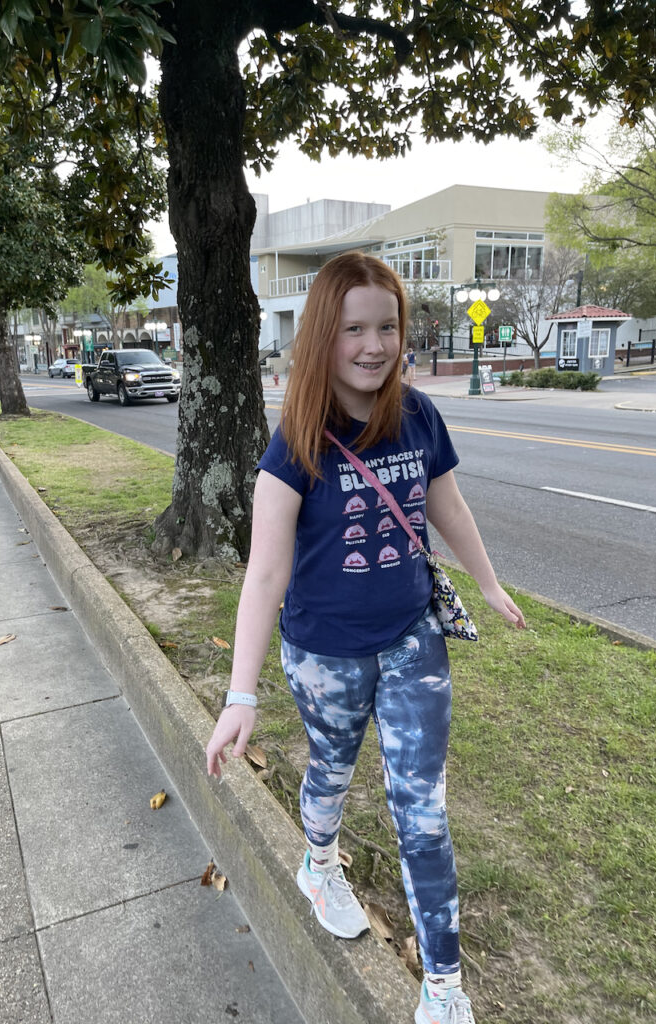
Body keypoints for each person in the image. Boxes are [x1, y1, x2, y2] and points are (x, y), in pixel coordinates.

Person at [206, 251, 525, 1024]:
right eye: (354, 328)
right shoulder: (293, 445)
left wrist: (487, 581)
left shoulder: (418, 415)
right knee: (334, 771)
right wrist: (240, 694)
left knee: (423, 808)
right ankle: (319, 864)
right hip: (324, 652)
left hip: (413, 638)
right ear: (323, 335)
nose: (374, 345)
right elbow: (263, 577)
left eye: (387, 326)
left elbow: (448, 508)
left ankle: (444, 989)